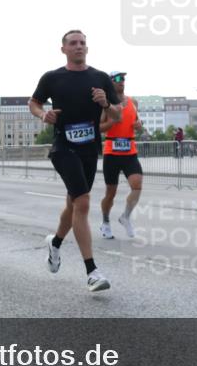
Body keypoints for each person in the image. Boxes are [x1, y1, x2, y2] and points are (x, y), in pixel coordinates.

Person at [29, 29, 121, 292]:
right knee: (83, 202)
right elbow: (33, 103)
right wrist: (43, 115)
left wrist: (106, 104)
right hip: (63, 147)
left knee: (74, 203)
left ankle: (55, 243)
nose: (78, 46)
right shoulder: (52, 77)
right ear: (64, 49)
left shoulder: (100, 78)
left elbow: (116, 115)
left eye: (82, 43)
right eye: (73, 43)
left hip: (90, 149)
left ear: (87, 49)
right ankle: (92, 272)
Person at [99, 71, 143, 239]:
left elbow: (137, 121)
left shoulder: (133, 102)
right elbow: (99, 128)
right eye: (117, 78)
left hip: (130, 150)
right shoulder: (106, 104)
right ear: (110, 82)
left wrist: (139, 124)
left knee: (137, 185)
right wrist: (112, 121)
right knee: (111, 193)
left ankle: (125, 217)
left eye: (123, 78)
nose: (121, 81)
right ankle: (105, 221)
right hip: (112, 152)